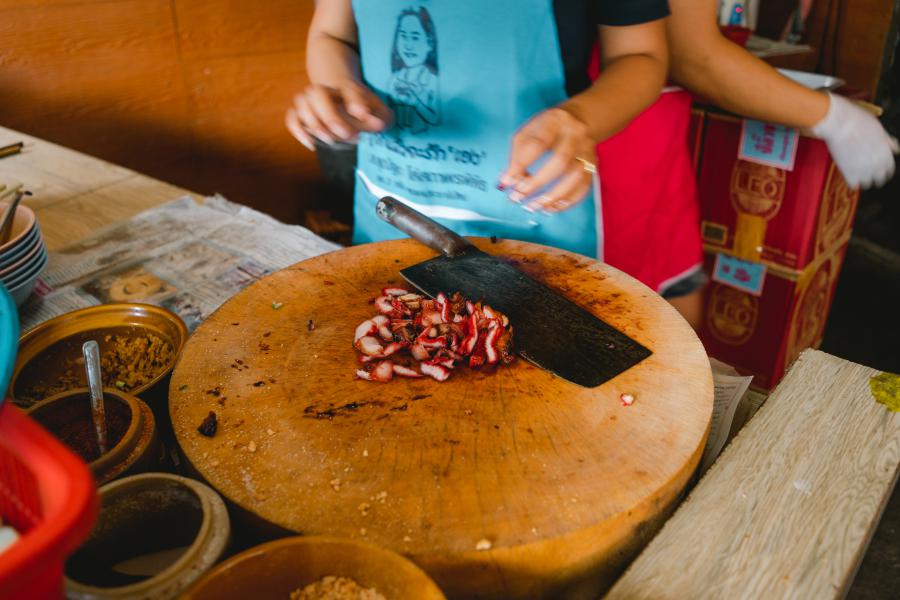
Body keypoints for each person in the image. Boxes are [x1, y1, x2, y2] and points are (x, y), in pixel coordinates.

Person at [584, 0, 898, 328]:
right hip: (606, 159)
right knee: (618, 328)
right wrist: (834, 118)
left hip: (659, 159)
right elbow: (690, 53)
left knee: (674, 318)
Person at [286, 1, 670, 258]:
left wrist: (581, 118)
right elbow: (332, 35)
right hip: (392, 210)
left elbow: (641, 55)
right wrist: (340, 90)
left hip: (530, 217)